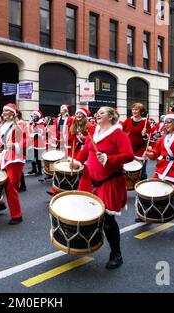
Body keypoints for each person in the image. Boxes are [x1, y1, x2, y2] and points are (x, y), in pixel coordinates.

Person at [71, 106, 134, 269]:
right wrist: (77, 161)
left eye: (102, 112)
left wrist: (108, 158)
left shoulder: (118, 134)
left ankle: (116, 254)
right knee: (88, 213)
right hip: (91, 180)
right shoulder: (94, 132)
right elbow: (85, 150)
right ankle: (86, 242)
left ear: (112, 117)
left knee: (108, 220)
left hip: (110, 181)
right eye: (97, 112)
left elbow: (128, 155)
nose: (97, 114)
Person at [0, 103, 26, 225]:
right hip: (5, 157)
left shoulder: (20, 124)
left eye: (6, 111)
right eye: (3, 111)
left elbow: (26, 141)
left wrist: (14, 146)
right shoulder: (3, 125)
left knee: (10, 187)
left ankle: (17, 215)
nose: (3, 113)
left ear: (13, 113)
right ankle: (0, 204)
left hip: (15, 159)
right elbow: (1, 139)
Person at [122, 103, 152, 180]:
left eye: (136, 110)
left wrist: (144, 135)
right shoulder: (128, 120)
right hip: (129, 149)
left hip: (141, 150)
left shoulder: (145, 122)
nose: (134, 111)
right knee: (127, 169)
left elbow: (148, 137)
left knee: (142, 171)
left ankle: (144, 187)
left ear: (141, 112)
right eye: (133, 109)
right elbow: (122, 132)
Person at [28, 110, 45, 176]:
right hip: (32, 140)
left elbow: (42, 131)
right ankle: (34, 169)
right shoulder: (32, 122)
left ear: (38, 116)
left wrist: (37, 130)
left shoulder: (40, 123)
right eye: (33, 114)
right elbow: (29, 130)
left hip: (38, 141)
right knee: (31, 156)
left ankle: (40, 171)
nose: (33, 115)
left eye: (35, 114)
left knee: (38, 157)